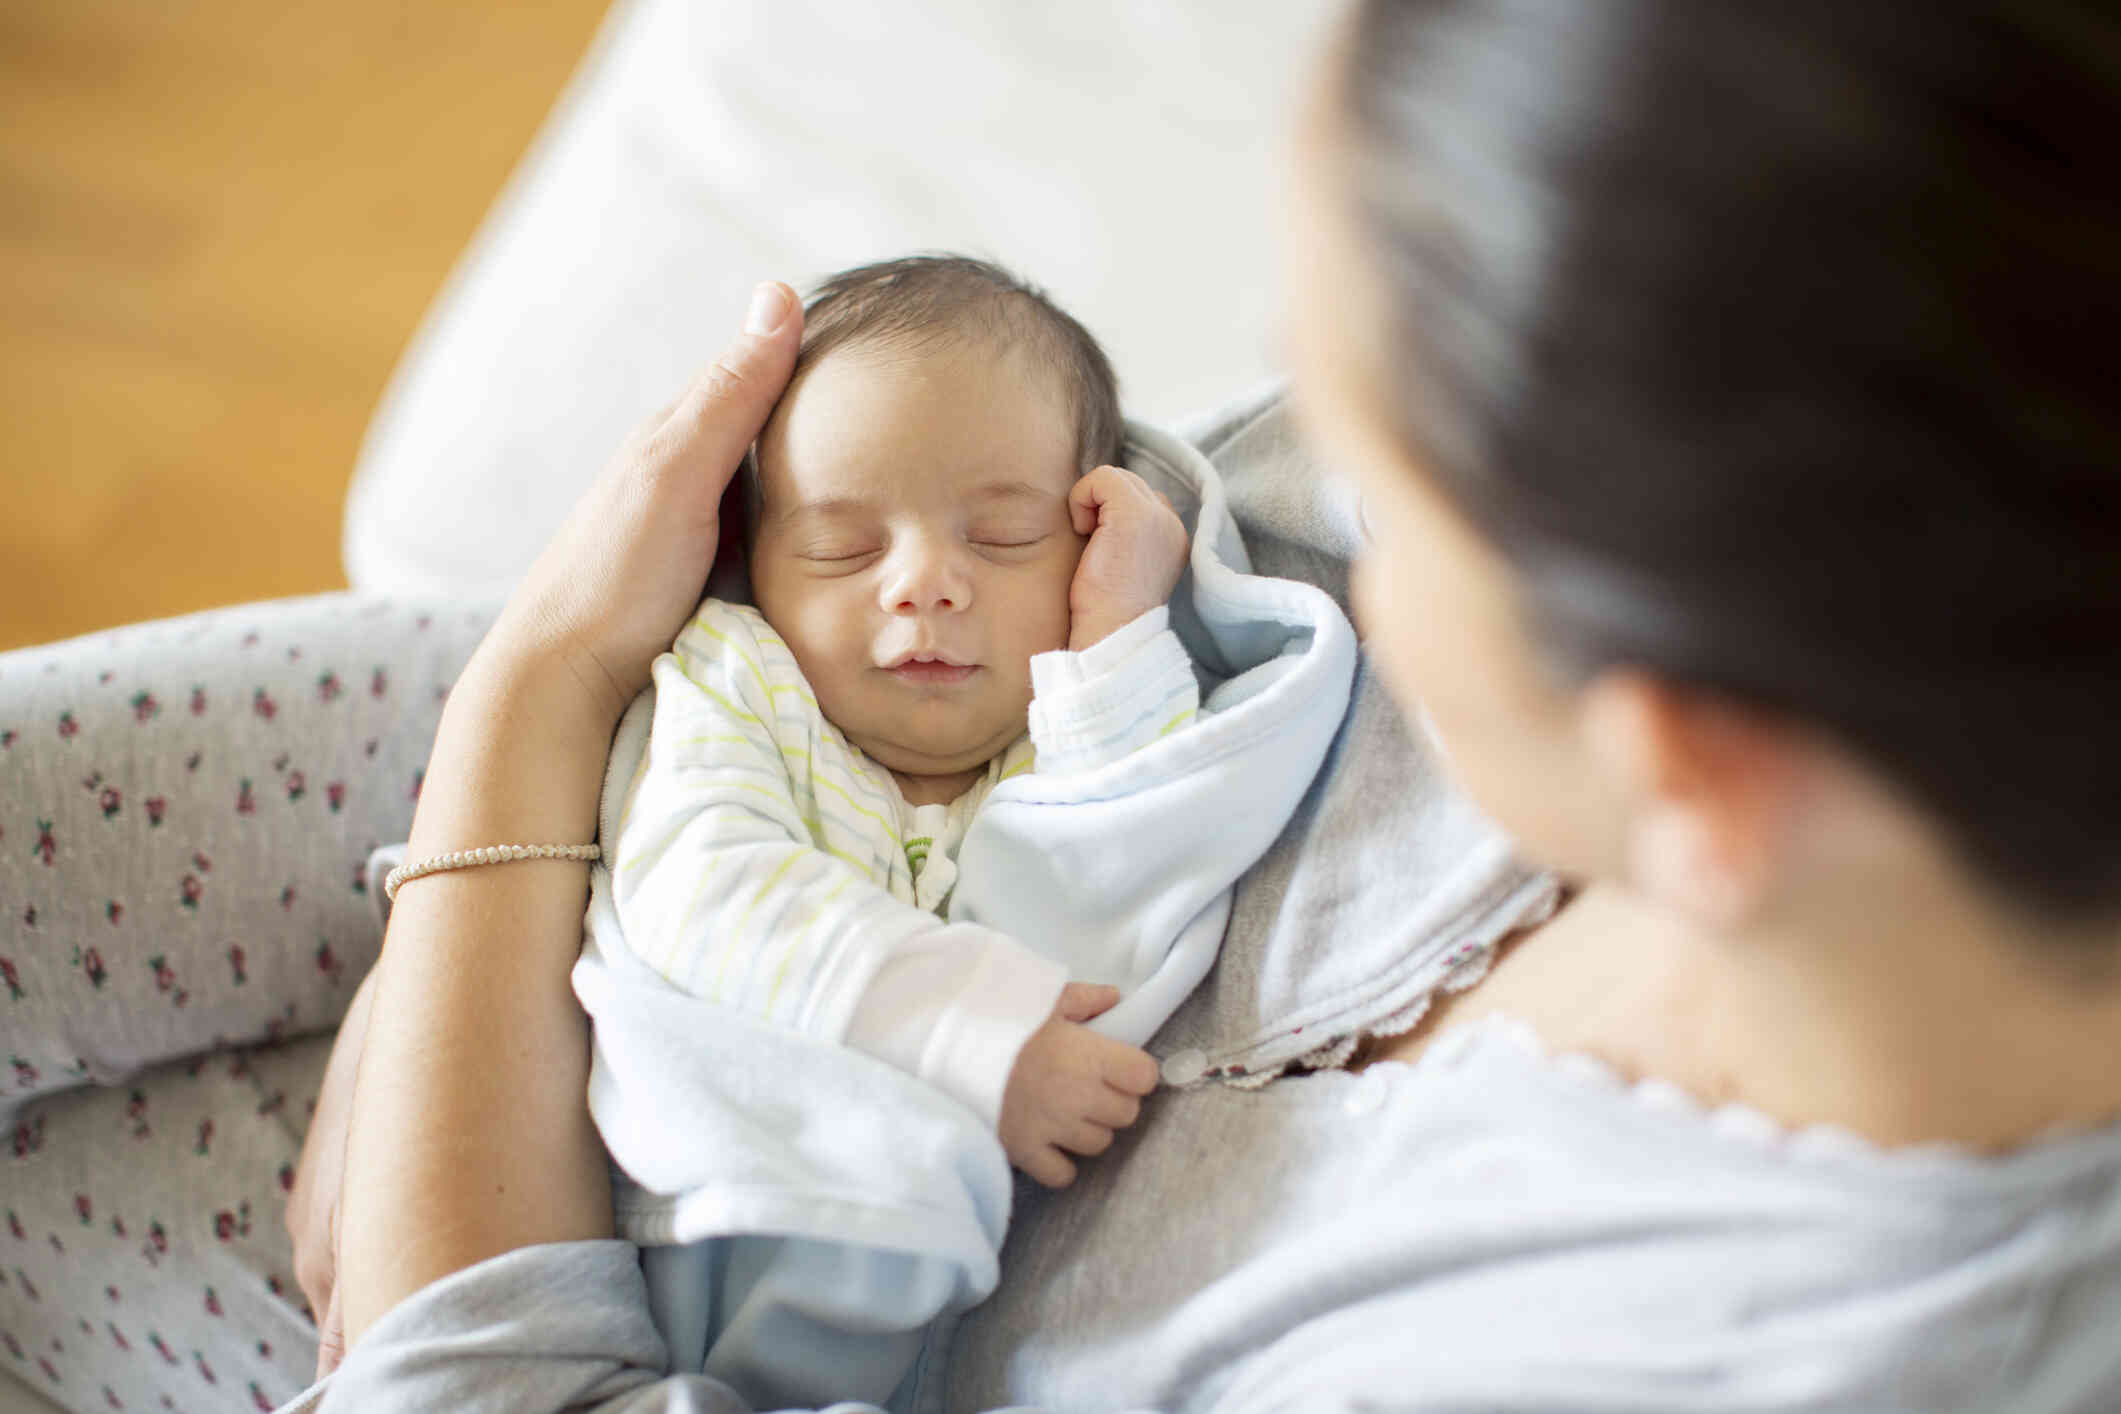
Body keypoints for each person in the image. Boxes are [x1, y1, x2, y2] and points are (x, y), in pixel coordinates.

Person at [255, 0, 2120, 1407]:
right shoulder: (1740, 491)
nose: (1313, 503)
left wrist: (523, 730)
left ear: (1688, 771)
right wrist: (513, 810)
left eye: (1386, 481)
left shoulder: (1679, 1342)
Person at [576, 254, 1350, 1406]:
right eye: (843, 547)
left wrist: (1116, 633)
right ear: (751, 562)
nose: (926, 584)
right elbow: (702, 887)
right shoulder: (741, 683)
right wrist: (969, 1033)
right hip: (708, 1224)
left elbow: (1124, 855)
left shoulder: (1064, 724)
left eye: (1000, 539)